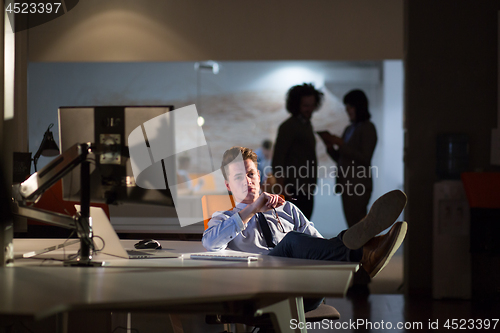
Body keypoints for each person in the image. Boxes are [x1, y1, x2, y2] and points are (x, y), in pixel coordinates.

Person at [202, 146, 407, 312]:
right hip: (260, 292)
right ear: (228, 185)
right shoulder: (224, 218)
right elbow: (210, 243)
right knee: (290, 241)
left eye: (251, 174)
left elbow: (319, 247)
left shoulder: (287, 208)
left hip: (304, 290)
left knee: (313, 244)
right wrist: (252, 209)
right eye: (238, 177)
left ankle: (362, 249)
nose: (247, 181)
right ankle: (365, 252)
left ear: (260, 177)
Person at [319, 89, 378, 228]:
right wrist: (330, 147)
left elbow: (365, 158)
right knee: (352, 226)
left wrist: (340, 143)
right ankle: (357, 250)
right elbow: (342, 158)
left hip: (359, 185)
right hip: (347, 185)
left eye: (350, 107)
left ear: (359, 106)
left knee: (359, 226)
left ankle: (363, 251)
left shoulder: (368, 128)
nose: (347, 110)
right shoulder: (349, 128)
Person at [271, 83, 323, 219]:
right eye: (306, 105)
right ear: (296, 105)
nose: (309, 109)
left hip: (305, 188)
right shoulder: (289, 126)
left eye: (312, 105)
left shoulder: (306, 125)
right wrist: (282, 188)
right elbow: (278, 159)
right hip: (292, 189)